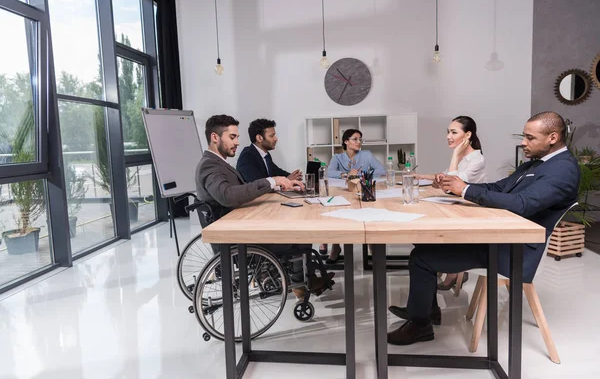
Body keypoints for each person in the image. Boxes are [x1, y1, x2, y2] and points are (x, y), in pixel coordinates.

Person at [387, 111, 580, 345]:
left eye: (530, 138)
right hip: (502, 236)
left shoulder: (563, 169)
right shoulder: (540, 164)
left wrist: (465, 191)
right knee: (426, 243)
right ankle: (425, 311)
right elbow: (497, 188)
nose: (523, 142)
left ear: (552, 137)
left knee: (421, 257)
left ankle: (420, 325)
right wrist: (457, 186)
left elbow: (522, 204)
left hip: (515, 251)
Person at [196, 114, 333, 298]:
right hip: (237, 237)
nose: (237, 142)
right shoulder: (210, 166)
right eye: (232, 137)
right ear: (215, 137)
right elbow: (228, 195)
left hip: (241, 225)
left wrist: (278, 180)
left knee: (295, 227)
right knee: (300, 235)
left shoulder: (218, 163)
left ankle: (301, 280)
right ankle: (300, 284)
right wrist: (272, 181)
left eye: (237, 137)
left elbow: (241, 189)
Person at [417, 116, 488, 290]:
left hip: (470, 213)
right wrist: (421, 177)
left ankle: (451, 269)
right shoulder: (464, 158)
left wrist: (455, 155)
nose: (448, 136)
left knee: (427, 236)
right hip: (456, 208)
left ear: (467, 135)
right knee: (423, 232)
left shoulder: (477, 160)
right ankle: (446, 271)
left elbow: (452, 185)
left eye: (453, 132)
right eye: (448, 132)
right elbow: (443, 177)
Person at [320, 129, 386, 263]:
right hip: (344, 192)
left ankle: (372, 243)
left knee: (370, 212)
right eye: (355, 139)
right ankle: (336, 246)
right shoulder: (337, 157)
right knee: (336, 213)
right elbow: (329, 172)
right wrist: (345, 174)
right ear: (346, 141)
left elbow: (381, 170)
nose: (359, 142)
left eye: (360, 139)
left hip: (362, 191)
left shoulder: (366, 155)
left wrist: (361, 174)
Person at [236, 118, 302, 183]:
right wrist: (287, 180)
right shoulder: (247, 156)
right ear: (259, 138)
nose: (276, 139)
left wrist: (292, 176)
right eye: (271, 136)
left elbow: (277, 171)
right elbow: (258, 184)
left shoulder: (265, 155)